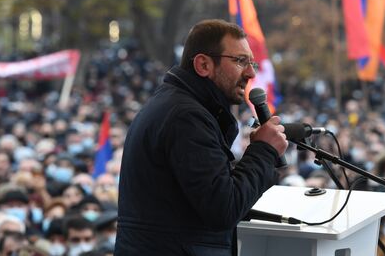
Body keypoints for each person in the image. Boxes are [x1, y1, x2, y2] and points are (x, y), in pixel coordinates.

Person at [115, 19, 288, 255]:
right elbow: (223, 208)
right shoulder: (186, 118)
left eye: (252, 63)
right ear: (203, 65)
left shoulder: (177, 106)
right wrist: (263, 151)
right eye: (240, 61)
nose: (250, 73)